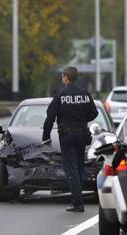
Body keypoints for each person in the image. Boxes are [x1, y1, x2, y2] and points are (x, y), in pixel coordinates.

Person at [42, 66, 98, 212]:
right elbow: (94, 113)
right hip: (81, 134)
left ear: (66, 77)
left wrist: (46, 136)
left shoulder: (60, 95)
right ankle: (78, 199)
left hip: (66, 135)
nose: (62, 78)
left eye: (62, 76)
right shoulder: (84, 94)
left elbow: (50, 117)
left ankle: (78, 203)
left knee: (71, 169)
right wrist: (82, 119)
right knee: (79, 167)